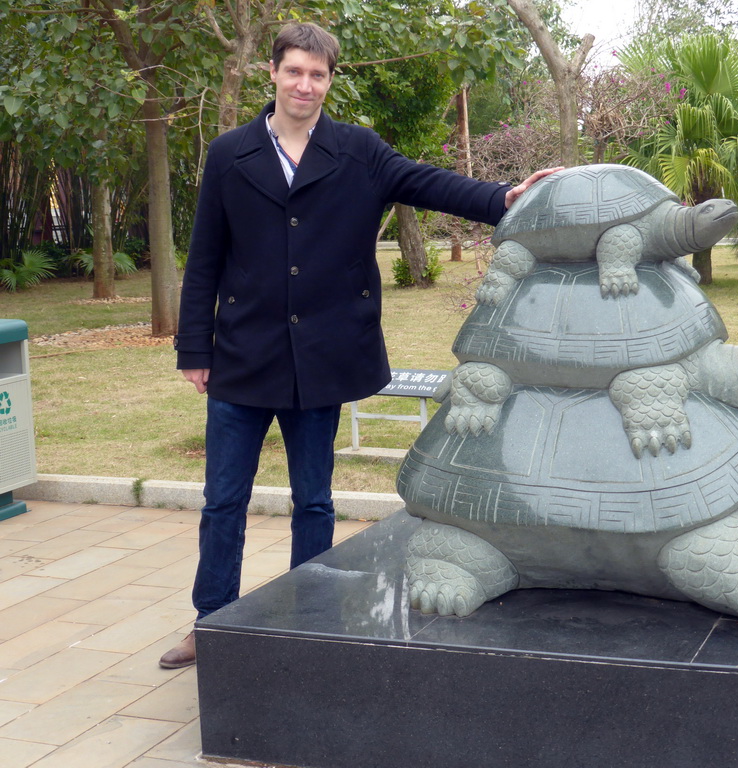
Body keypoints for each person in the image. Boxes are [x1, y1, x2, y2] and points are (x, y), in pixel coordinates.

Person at [158, 21, 558, 669]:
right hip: (241, 357)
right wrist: (193, 350)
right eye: (294, 71)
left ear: (329, 81)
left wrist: (503, 198)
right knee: (223, 500)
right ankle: (211, 622)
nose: (305, 85)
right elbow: (204, 257)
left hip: (319, 361)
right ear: (273, 73)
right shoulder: (229, 154)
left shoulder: (357, 151)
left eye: (318, 74)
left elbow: (427, 182)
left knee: (313, 500)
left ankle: (312, 617)